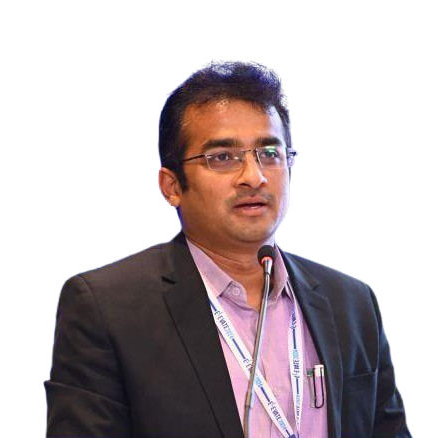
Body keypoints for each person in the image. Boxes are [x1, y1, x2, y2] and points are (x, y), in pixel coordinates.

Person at [44, 59, 411, 437]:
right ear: (172, 186)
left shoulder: (352, 302)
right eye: (222, 157)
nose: (254, 176)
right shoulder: (107, 308)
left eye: (270, 153)